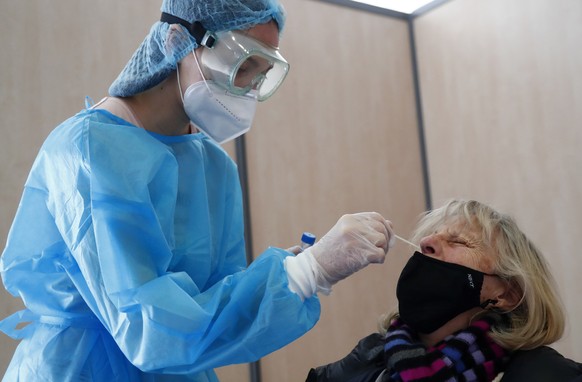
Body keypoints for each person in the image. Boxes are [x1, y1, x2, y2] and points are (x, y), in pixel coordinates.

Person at [0, 0, 395, 380]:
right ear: (176, 41)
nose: (249, 88)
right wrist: (309, 271)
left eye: (261, 74)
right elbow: (146, 327)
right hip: (79, 368)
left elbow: (212, 311)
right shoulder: (89, 151)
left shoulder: (215, 165)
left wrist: (289, 272)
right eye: (243, 65)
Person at [307, 199, 582, 382]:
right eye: (429, 237)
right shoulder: (366, 358)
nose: (426, 241)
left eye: (458, 241)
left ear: (506, 293)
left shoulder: (546, 375)